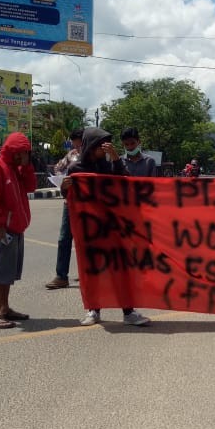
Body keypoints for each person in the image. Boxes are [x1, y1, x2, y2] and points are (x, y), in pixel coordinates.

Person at [62, 128, 149, 327]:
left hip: (112, 228)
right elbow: (71, 200)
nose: (105, 148)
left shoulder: (109, 167)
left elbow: (126, 183)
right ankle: (94, 310)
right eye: (102, 144)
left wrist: (116, 158)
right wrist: (64, 188)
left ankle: (128, 312)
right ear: (91, 146)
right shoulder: (76, 170)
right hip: (90, 231)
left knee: (120, 271)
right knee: (93, 271)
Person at [0, 131, 36, 329]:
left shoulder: (16, 169)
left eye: (27, 153)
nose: (24, 155)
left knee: (9, 272)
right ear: (14, 151)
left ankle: (4, 308)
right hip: (5, 229)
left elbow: (31, 187)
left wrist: (27, 165)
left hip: (17, 227)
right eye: (22, 152)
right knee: (0, 271)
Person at [112, 126, 158, 327]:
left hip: (141, 215)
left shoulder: (149, 162)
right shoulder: (117, 162)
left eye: (132, 143)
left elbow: (154, 188)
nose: (130, 147)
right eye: (126, 145)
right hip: (123, 217)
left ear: (139, 142)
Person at [45, 128, 84, 290]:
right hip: (70, 202)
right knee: (64, 239)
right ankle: (61, 276)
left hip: (89, 203)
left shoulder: (94, 155)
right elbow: (57, 168)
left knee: (86, 240)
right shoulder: (71, 155)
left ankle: (87, 273)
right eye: (75, 144)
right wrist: (63, 178)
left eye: (80, 144)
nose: (77, 147)